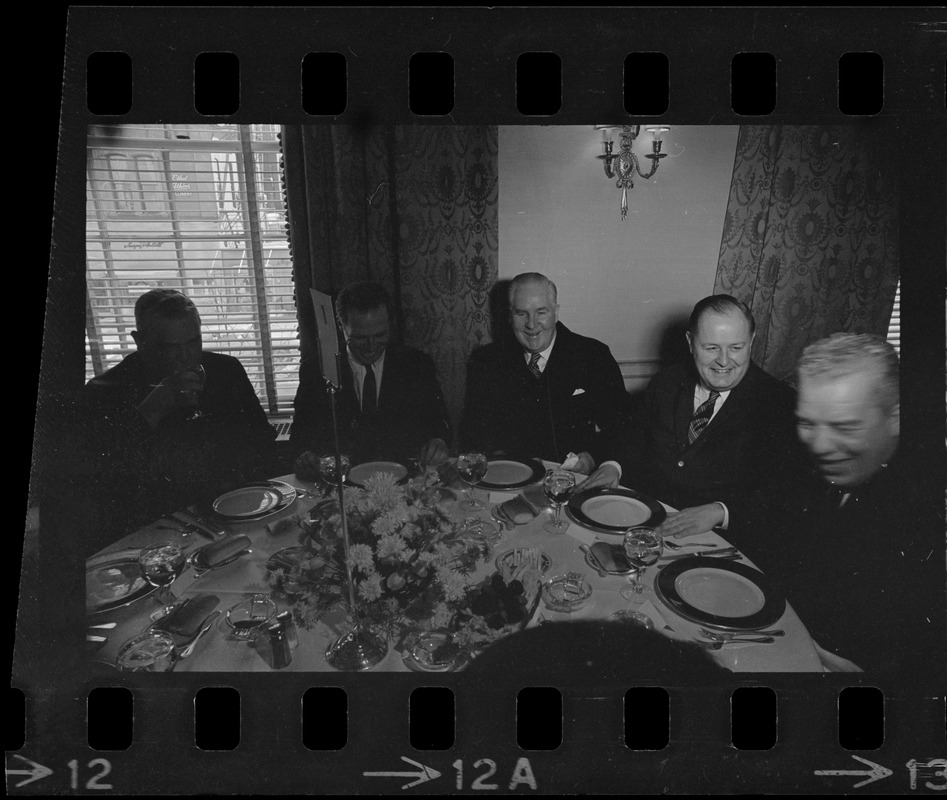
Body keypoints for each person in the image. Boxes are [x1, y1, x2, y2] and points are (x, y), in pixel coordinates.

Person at [726, 333, 944, 677]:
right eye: (808, 423)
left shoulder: (929, 511)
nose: (820, 445)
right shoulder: (807, 469)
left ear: (895, 417)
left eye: (845, 426)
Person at [66, 289, 275, 553]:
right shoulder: (105, 391)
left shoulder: (226, 371)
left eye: (193, 342)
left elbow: (262, 438)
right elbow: (106, 484)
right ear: (140, 341)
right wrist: (152, 410)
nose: (186, 356)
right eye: (170, 347)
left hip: (232, 511)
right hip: (155, 534)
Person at [582, 295, 798, 538]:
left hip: (721, 540)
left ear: (752, 342)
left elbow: (784, 497)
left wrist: (721, 512)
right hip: (646, 525)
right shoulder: (667, 381)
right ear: (690, 342)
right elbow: (632, 437)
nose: (724, 361)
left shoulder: (778, 403)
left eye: (736, 347)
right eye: (711, 347)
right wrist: (614, 466)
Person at [460, 273, 627, 474]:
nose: (531, 324)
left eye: (541, 312)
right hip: (510, 478)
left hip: (575, 480)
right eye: (522, 313)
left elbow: (622, 426)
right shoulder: (487, 361)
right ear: (509, 316)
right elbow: (475, 432)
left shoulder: (593, 355)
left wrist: (594, 457)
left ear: (555, 313)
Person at [291, 281, 451, 473]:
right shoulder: (316, 370)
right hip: (342, 484)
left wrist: (439, 442)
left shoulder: (416, 364)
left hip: (404, 481)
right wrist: (305, 456)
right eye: (359, 337)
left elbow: (441, 423)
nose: (370, 345)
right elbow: (300, 437)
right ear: (341, 325)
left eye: (380, 334)